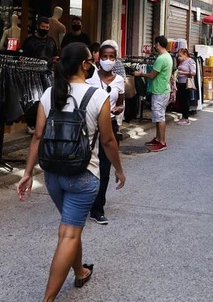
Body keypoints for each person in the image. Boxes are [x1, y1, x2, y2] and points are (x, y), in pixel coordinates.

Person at [17, 43, 126, 301]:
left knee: (71, 226)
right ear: (85, 64)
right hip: (84, 176)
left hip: (53, 175)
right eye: (93, 59)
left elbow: (38, 137)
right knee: (69, 233)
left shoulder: (49, 94)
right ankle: (47, 299)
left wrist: (27, 172)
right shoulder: (98, 97)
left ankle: (79, 271)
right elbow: (109, 141)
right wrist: (119, 171)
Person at [86, 40, 125, 225]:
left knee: (105, 168)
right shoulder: (89, 78)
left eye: (111, 57)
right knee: (86, 164)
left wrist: (119, 108)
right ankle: (83, 201)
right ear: (98, 59)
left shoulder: (119, 80)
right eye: (104, 57)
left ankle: (97, 208)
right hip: (90, 127)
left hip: (110, 126)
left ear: (115, 60)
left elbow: (121, 102)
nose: (108, 60)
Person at [134, 35, 173, 152]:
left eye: (155, 44)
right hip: (163, 89)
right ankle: (157, 138)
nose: (154, 46)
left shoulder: (161, 59)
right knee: (158, 116)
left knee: (160, 116)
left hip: (160, 91)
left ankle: (162, 142)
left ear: (158, 45)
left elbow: (152, 75)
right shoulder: (168, 57)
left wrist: (140, 74)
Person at [175, 48, 197, 126]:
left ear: (185, 54)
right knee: (182, 100)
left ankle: (186, 118)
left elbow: (193, 72)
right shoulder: (182, 62)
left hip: (186, 83)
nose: (179, 57)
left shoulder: (190, 61)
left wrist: (183, 73)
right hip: (180, 83)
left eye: (180, 55)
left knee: (185, 100)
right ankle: (183, 116)